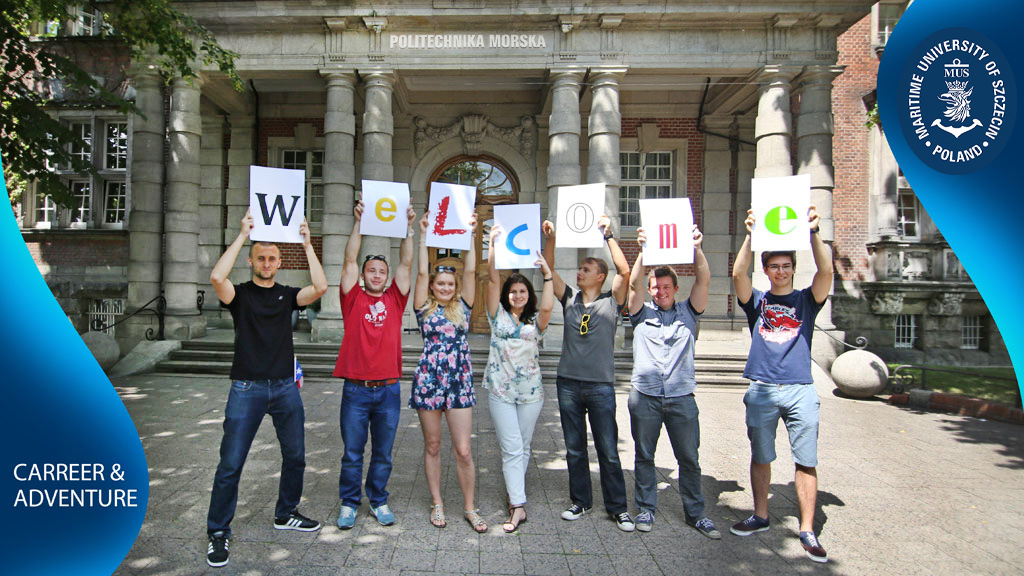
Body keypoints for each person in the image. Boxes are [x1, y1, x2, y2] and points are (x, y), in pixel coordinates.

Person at [205, 209, 328, 568]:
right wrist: (243, 234)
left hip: (285, 388)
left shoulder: (287, 295)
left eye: (272, 258)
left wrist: (306, 244)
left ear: (278, 263)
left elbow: (320, 287)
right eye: (261, 257)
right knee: (230, 464)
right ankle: (217, 531)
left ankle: (285, 512)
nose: (267, 262)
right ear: (252, 261)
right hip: (247, 388)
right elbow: (216, 276)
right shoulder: (238, 296)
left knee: (296, 456)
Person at [729, 206, 833, 563]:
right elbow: (738, 272)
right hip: (762, 389)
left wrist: (814, 232)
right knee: (761, 455)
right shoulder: (758, 302)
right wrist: (750, 235)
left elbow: (827, 270)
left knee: (805, 460)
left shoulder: (806, 300)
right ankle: (761, 515)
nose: (781, 271)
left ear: (793, 269)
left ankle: (807, 529)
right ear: (768, 270)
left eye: (787, 266)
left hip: (800, 388)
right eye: (774, 266)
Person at [541, 214, 634, 532]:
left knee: (608, 450)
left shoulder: (611, 303)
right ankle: (581, 501)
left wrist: (608, 235)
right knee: (574, 447)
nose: (579, 272)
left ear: (600, 277)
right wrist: (551, 239)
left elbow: (625, 271)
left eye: (586, 269)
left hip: (600, 387)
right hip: (568, 384)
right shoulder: (569, 299)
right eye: (579, 269)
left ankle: (618, 508)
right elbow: (549, 270)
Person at [626, 225, 720, 538]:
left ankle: (696, 514)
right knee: (645, 456)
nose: (661, 291)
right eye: (656, 287)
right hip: (646, 396)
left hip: (681, 397)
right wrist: (641, 252)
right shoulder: (640, 313)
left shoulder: (690, 313)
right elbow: (632, 282)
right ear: (650, 290)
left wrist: (697, 248)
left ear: (675, 288)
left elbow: (704, 278)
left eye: (666, 286)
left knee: (689, 459)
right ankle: (646, 509)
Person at [333, 199, 416, 530]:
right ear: (365, 275)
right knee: (352, 453)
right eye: (373, 270)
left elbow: (407, 264)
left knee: (382, 453)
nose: (378, 274)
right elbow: (349, 258)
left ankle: (379, 500)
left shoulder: (396, 299)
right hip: (355, 389)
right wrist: (358, 223)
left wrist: (408, 228)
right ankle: (349, 503)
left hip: (388, 390)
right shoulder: (352, 297)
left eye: (382, 270)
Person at [411, 211, 487, 532]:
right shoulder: (423, 307)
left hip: (459, 384)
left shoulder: (464, 307)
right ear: (432, 285)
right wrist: (424, 234)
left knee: (464, 449)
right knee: (432, 446)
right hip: (428, 382)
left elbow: (470, 270)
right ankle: (437, 503)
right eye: (439, 283)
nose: (444, 287)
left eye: (449, 283)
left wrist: (472, 233)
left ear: (455, 287)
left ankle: (470, 507)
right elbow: (418, 273)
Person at [483, 224, 555, 534]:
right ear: (507, 295)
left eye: (523, 291)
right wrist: (492, 246)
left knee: (523, 447)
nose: (517, 294)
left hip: (531, 394)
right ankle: (518, 507)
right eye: (513, 291)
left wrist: (548, 274)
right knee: (512, 447)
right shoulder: (495, 314)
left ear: (529, 295)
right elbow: (492, 278)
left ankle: (515, 495)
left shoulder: (536, 320)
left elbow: (550, 305)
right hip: (500, 390)